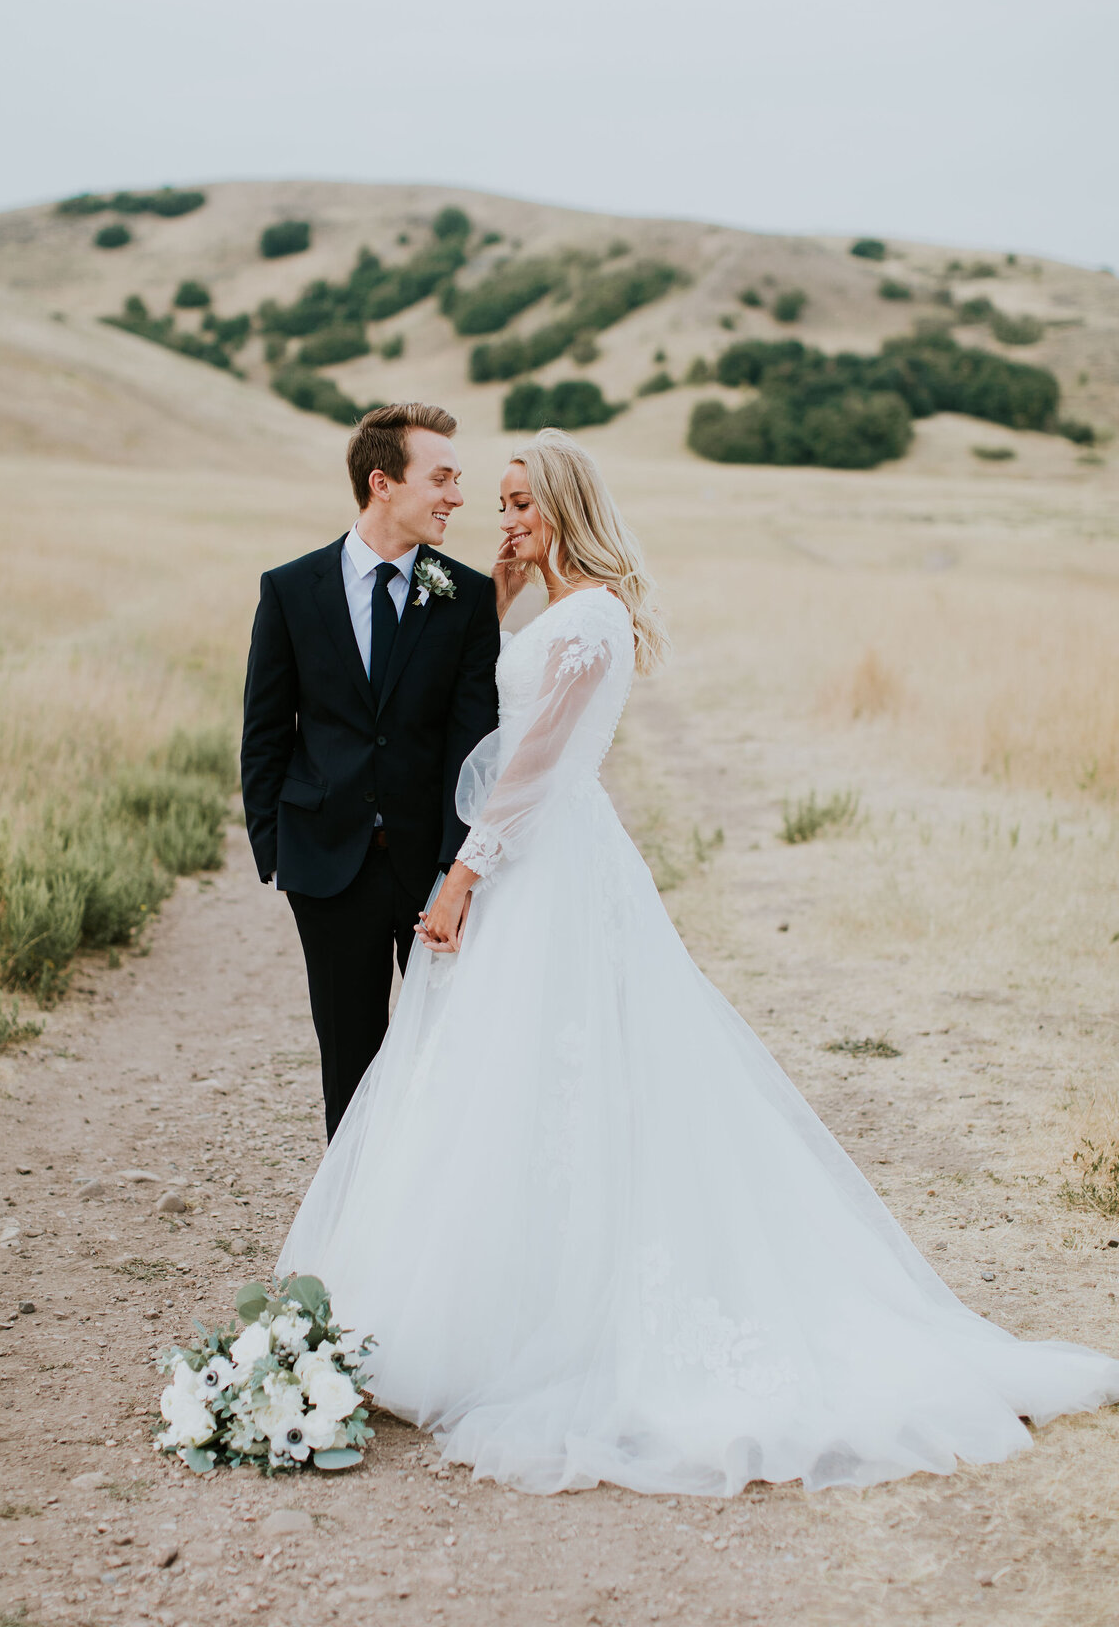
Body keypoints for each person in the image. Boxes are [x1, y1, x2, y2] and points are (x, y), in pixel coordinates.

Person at [277, 427, 1119, 1498]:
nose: (510, 521)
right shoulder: (551, 608)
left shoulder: (592, 622)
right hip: (540, 864)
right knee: (504, 1081)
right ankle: (494, 1295)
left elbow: (530, 765)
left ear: (571, 507)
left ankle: (557, 1320)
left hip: (548, 869)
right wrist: (494, 602)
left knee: (568, 1074)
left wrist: (462, 877)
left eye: (527, 504)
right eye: (500, 502)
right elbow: (490, 705)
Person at [241, 403, 500, 1139]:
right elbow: (265, 733)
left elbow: (471, 744)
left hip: (433, 875)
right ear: (382, 483)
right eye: (442, 478)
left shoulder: (467, 596)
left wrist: (459, 869)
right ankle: (350, 1243)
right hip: (327, 869)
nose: (456, 496)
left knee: (446, 1057)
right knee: (349, 1064)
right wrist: (278, 853)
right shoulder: (290, 590)